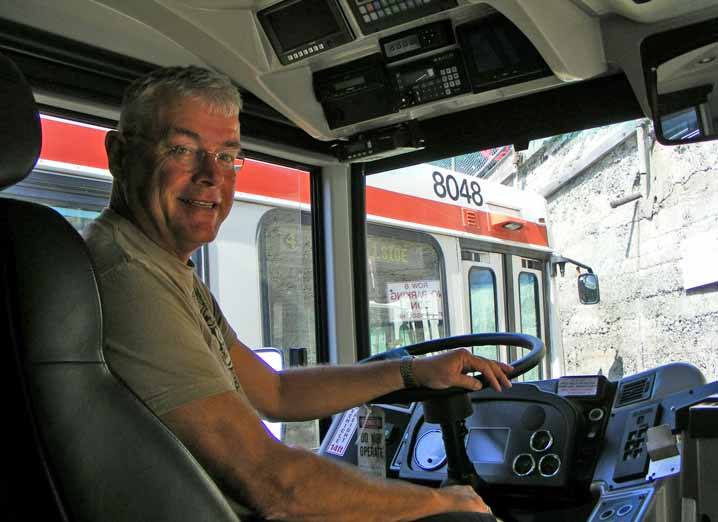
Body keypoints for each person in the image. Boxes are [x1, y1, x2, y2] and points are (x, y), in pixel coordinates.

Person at [84, 65, 513, 522]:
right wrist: (442, 502)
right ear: (118, 154)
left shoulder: (164, 268)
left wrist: (414, 372)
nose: (212, 176)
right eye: (183, 149)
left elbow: (277, 392)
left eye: (227, 156)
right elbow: (277, 485)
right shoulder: (128, 276)